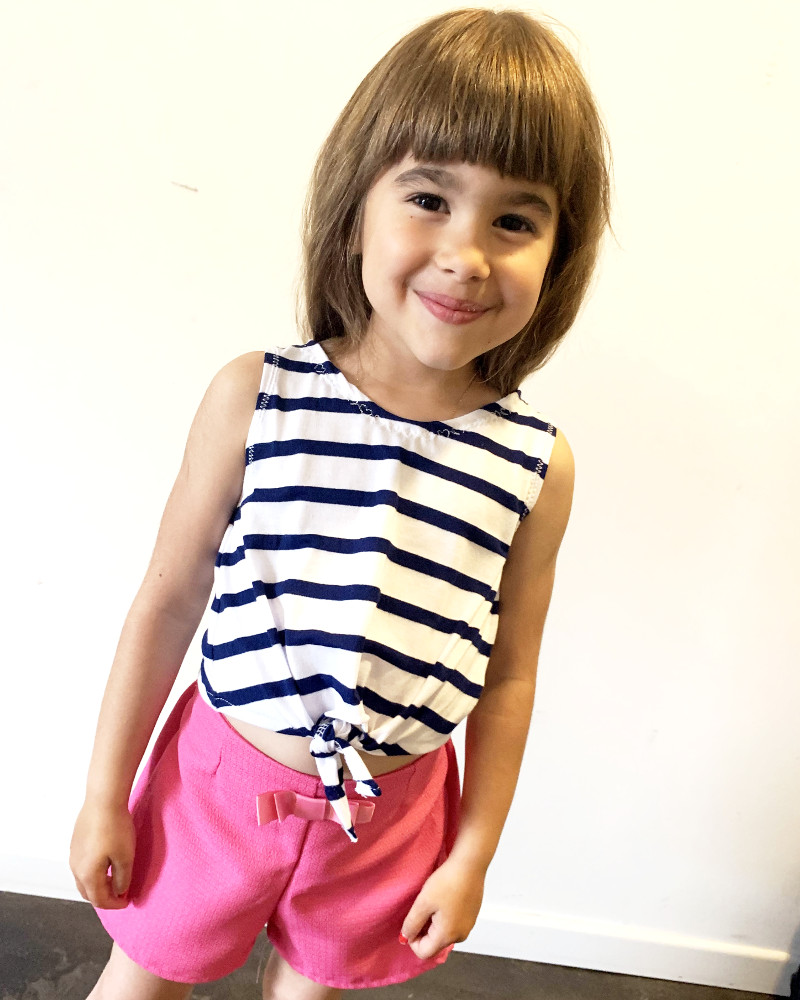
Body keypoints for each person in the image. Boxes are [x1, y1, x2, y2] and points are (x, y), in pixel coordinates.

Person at [69, 8, 611, 999]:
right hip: (213, 791)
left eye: (515, 220)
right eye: (428, 198)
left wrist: (471, 854)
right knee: (140, 982)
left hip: (389, 819)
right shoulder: (254, 394)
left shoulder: (538, 465)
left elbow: (509, 678)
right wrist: (106, 794)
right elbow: (166, 602)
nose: (467, 254)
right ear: (357, 205)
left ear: (557, 251)